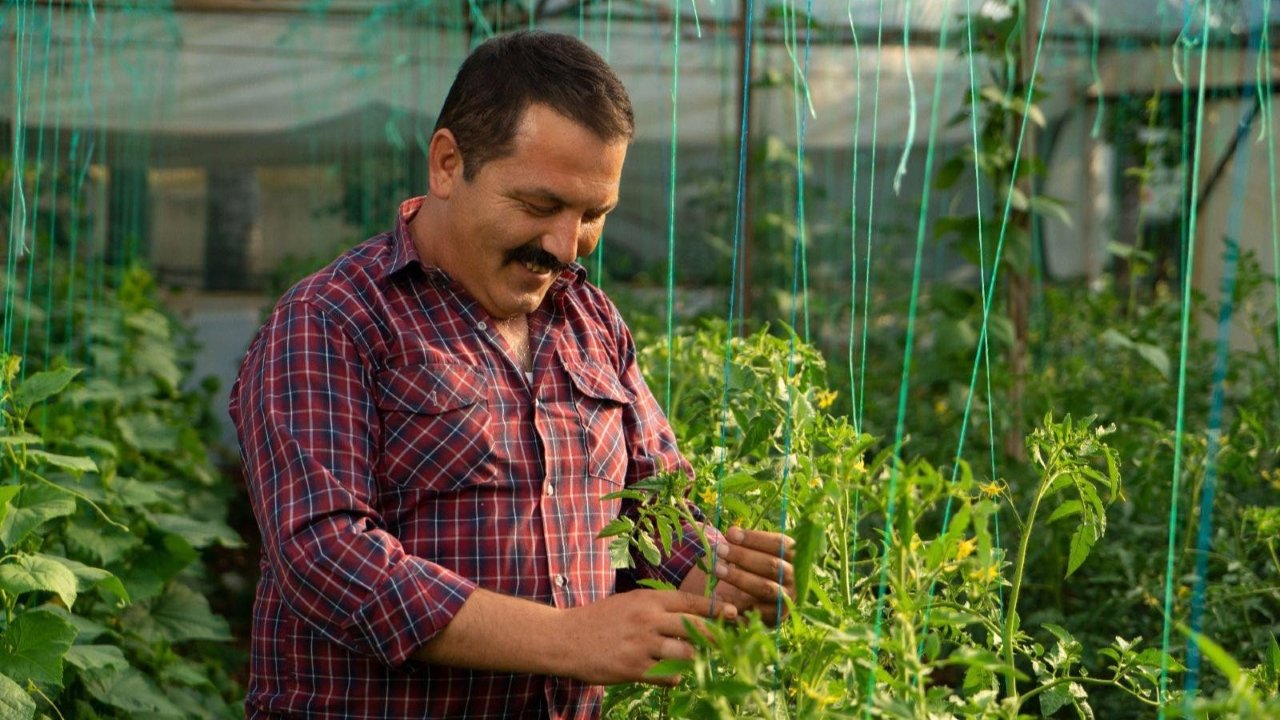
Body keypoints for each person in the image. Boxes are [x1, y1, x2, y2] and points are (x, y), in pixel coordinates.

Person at [231, 30, 796, 719]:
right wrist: (567, 639)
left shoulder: (591, 321)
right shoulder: (333, 319)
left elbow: (654, 510)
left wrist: (724, 582)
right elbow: (325, 557)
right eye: (539, 206)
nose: (565, 245)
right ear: (447, 164)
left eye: (593, 215)